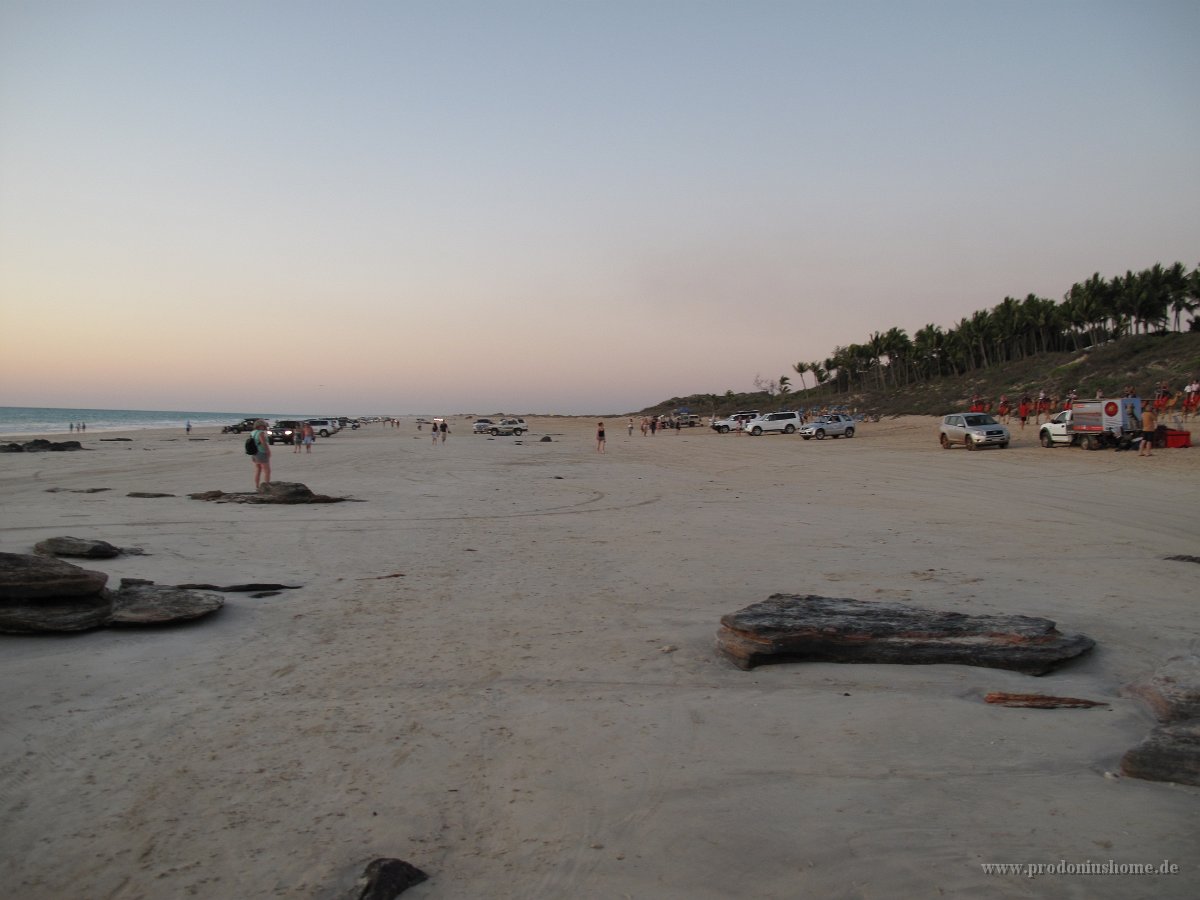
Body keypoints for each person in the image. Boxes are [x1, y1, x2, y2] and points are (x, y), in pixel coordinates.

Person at [250, 419, 271, 487]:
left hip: (254, 452)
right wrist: (268, 451)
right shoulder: (260, 433)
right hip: (261, 452)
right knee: (267, 470)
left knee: (258, 469)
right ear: (260, 426)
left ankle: (257, 486)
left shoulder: (252, 432)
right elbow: (263, 443)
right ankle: (267, 485)